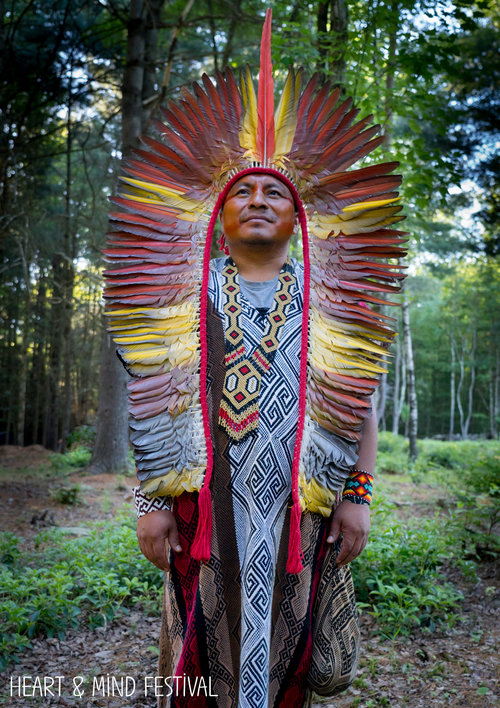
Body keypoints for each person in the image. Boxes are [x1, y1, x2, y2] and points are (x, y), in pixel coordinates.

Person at [104, 10, 405, 707]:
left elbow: (357, 397)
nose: (261, 199)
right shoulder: (184, 296)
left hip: (302, 511)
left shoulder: (330, 297)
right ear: (222, 211)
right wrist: (150, 503)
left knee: (295, 664)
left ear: (297, 214)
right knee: (202, 660)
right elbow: (155, 398)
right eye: (245, 190)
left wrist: (358, 497)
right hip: (204, 513)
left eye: (275, 191)